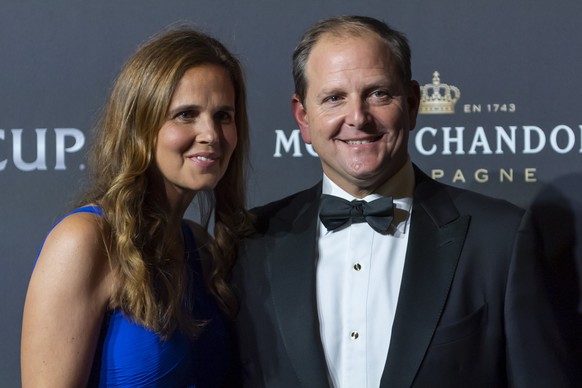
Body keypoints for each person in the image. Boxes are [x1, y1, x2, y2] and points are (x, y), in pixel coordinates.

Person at [233, 15, 573, 387]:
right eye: (334, 98)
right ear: (303, 117)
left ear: (411, 104)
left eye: (379, 94)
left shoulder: (501, 241)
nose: (358, 117)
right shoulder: (251, 243)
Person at [21, 26, 252, 387]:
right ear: (140, 126)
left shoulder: (201, 249)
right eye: (186, 114)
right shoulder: (85, 241)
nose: (210, 133)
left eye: (224, 115)